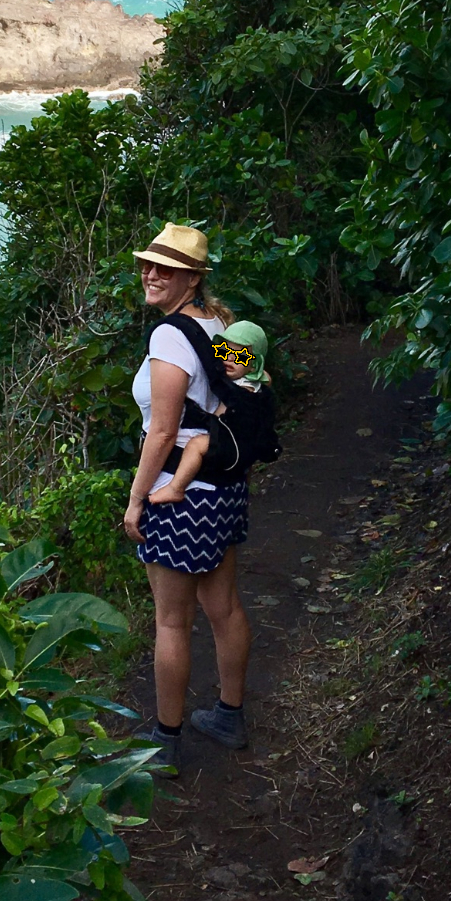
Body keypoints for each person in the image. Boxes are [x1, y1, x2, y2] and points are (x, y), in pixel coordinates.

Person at [124, 222, 254, 776]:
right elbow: (246, 381)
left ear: (193, 277)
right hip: (223, 488)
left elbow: (162, 429)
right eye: (148, 265)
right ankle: (229, 715)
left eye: (166, 268)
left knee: (172, 622)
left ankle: (166, 741)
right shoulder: (219, 324)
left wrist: (137, 501)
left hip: (179, 494)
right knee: (221, 607)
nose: (151, 274)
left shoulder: (168, 335)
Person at [146, 319, 271, 507]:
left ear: (254, 365)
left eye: (240, 356)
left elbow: (222, 417)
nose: (229, 359)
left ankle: (176, 488)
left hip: (235, 443)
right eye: (223, 351)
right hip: (244, 444)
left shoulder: (242, 391)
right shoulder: (256, 381)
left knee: (196, 445)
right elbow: (266, 379)